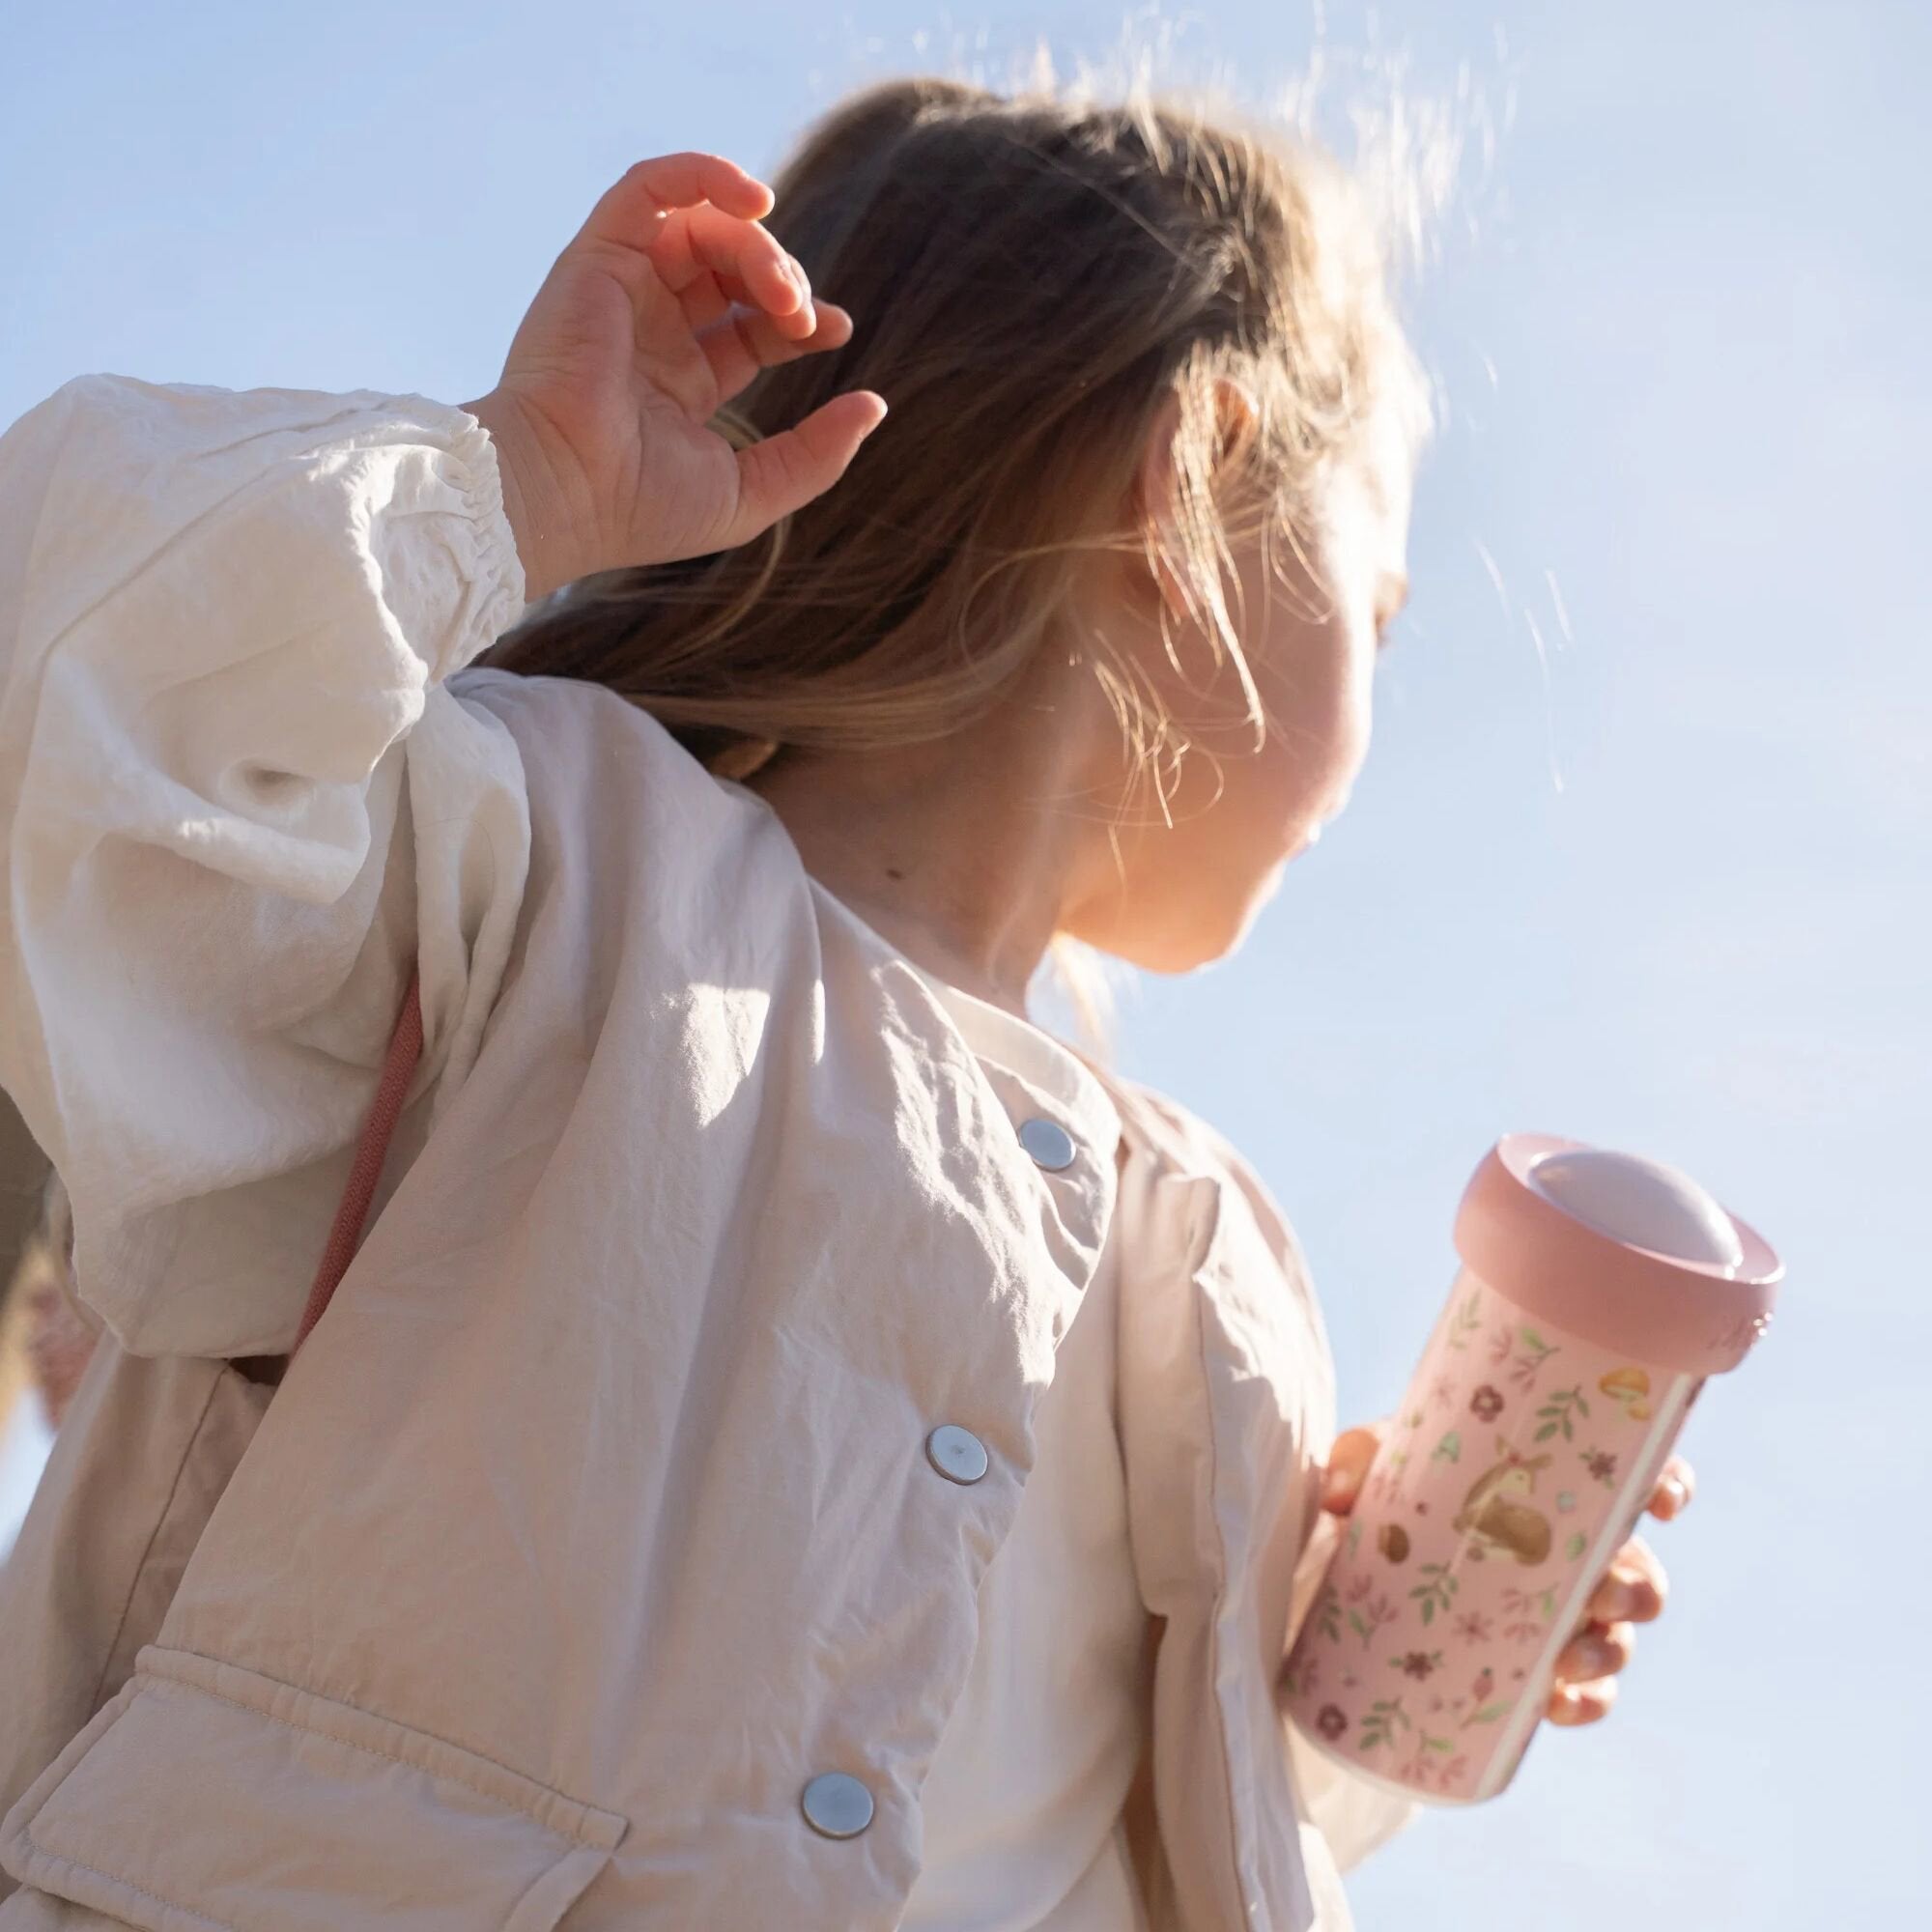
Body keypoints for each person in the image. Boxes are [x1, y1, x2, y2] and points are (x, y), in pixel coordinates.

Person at [0, 78, 1690, 1931]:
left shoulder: (1202, 1258)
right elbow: (87, 733)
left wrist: (1349, 1670)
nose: (1379, 684)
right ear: (1197, 474)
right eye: (1374, 605)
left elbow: (1039, 1804)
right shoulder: (538, 877)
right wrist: (517, 478)